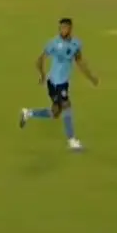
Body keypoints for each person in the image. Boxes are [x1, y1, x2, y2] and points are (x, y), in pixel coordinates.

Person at [19, 17, 100, 152]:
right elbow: (39, 60)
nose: (62, 30)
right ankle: (72, 140)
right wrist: (42, 75)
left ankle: (28, 113)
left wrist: (91, 77)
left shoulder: (76, 44)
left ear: (70, 28)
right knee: (67, 106)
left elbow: (80, 62)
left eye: (65, 28)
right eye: (61, 28)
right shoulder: (53, 44)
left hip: (63, 83)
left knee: (55, 113)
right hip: (55, 83)